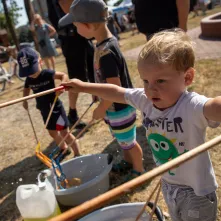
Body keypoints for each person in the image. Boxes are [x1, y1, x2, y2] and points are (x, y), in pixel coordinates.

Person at [62, 29, 218, 221]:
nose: (151, 89)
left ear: (187, 78)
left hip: (196, 192)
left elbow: (214, 107)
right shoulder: (145, 100)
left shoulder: (192, 106)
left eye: (160, 80)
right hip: (169, 183)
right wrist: (83, 86)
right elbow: (116, 91)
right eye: (146, 81)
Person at [59, 0, 145, 178]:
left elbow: (114, 88)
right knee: (122, 140)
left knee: (129, 142)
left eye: (76, 26)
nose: (76, 30)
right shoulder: (101, 45)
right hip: (113, 107)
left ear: (88, 25)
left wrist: (101, 108)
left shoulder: (106, 52)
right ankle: (128, 161)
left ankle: (139, 169)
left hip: (119, 108)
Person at [18, 47, 80, 158]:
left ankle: (77, 152)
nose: (31, 74)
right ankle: (64, 148)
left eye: (32, 70)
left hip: (56, 109)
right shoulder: (29, 79)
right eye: (27, 72)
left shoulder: (47, 73)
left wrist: (62, 85)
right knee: (52, 132)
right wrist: (24, 100)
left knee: (64, 133)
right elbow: (26, 88)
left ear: (40, 62)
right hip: (44, 109)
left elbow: (63, 76)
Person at [46, 0, 95, 129]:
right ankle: (72, 114)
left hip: (81, 34)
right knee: (76, 78)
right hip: (71, 37)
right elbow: (66, 5)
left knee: (94, 68)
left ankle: (99, 100)